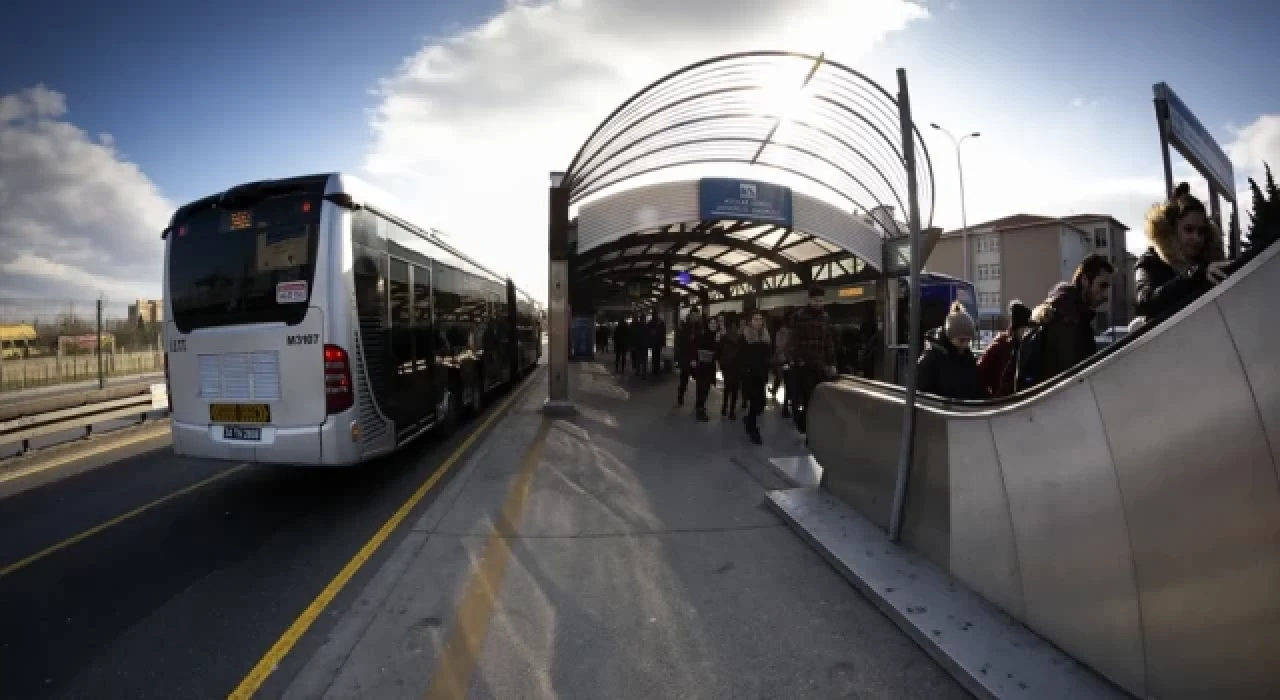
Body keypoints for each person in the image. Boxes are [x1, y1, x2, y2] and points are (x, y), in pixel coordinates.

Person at [1133, 182, 1230, 324]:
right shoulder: (1149, 262)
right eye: (1189, 230)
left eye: (1201, 231)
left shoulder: (1209, 264)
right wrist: (1195, 277)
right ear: (1171, 230)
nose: (1196, 238)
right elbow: (1146, 302)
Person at [1028, 253, 1114, 386]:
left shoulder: (1073, 314)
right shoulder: (1067, 319)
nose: (1105, 296)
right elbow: (1070, 381)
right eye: (1102, 286)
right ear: (1085, 280)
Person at [786, 286, 837, 434]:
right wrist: (798, 360)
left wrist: (831, 362)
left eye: (821, 301)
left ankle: (811, 429)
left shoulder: (825, 318)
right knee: (806, 398)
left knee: (817, 399)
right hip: (804, 366)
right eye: (816, 300)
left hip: (819, 365)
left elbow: (829, 342)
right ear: (810, 300)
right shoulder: (798, 317)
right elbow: (793, 342)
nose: (819, 303)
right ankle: (805, 427)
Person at [916, 300, 983, 399]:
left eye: (968, 341)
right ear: (950, 336)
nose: (965, 345)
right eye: (961, 340)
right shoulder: (931, 359)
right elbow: (921, 391)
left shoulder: (968, 358)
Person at [976, 300, 1031, 398]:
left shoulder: (1025, 347)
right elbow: (981, 373)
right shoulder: (1000, 346)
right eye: (1024, 330)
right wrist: (990, 398)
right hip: (1001, 402)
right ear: (1017, 329)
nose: (1026, 334)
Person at [740, 311, 773, 444]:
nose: (758, 322)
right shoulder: (745, 336)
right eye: (755, 319)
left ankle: (749, 421)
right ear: (750, 321)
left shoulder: (766, 336)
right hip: (749, 374)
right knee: (754, 402)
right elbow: (740, 355)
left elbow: (768, 355)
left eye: (760, 319)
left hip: (761, 374)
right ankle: (753, 429)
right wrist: (745, 370)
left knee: (761, 404)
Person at [719, 316, 743, 419]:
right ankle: (731, 411)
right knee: (734, 389)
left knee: (727, 387)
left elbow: (720, 351)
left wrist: (721, 364)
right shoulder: (740, 337)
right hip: (736, 365)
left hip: (727, 365)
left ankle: (724, 407)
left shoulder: (724, 336)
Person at [629, 313, 649, 378]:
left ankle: (641, 372)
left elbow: (635, 336)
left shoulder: (639, 326)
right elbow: (635, 336)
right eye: (643, 319)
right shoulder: (644, 326)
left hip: (641, 345)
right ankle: (641, 373)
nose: (644, 320)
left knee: (641, 360)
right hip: (641, 345)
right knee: (642, 360)